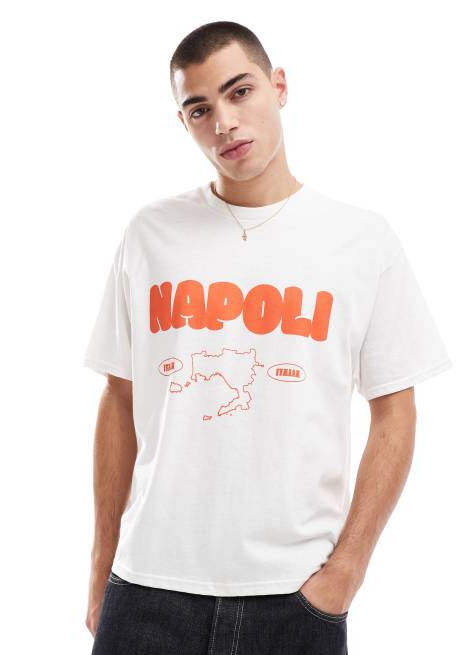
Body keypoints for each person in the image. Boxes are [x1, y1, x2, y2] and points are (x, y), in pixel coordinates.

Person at [82, 20, 452, 655]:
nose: (224, 122)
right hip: (146, 591)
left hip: (295, 599)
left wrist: (347, 572)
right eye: (200, 108)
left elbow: (396, 410)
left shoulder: (362, 241)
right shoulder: (149, 234)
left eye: (240, 91)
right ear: (184, 122)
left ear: (278, 86)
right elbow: (120, 399)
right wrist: (100, 570)